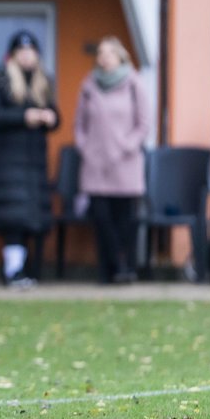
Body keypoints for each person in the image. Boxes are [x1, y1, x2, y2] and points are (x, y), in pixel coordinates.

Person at [0, 30, 59, 289]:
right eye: (22, 51)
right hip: (8, 162)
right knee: (13, 217)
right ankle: (12, 271)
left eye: (31, 51)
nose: (27, 56)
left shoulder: (42, 81)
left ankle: (24, 271)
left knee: (31, 218)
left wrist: (49, 118)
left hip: (34, 163)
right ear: (13, 55)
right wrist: (24, 117)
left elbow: (56, 116)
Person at [73, 36, 150, 284]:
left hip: (125, 163)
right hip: (96, 164)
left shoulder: (133, 83)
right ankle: (110, 269)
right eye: (100, 53)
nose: (103, 58)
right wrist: (85, 147)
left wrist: (126, 145)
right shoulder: (89, 86)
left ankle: (124, 265)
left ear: (120, 56)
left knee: (124, 219)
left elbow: (144, 122)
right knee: (101, 218)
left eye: (108, 53)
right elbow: (79, 124)